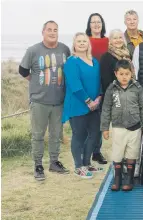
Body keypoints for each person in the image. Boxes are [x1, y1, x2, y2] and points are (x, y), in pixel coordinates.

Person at [19, 20, 70, 181]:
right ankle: (38, 165)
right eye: (49, 30)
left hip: (58, 101)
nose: (52, 32)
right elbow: (23, 70)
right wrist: (36, 83)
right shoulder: (33, 50)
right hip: (39, 101)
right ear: (43, 32)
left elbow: (69, 70)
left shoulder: (64, 49)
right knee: (38, 135)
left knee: (56, 134)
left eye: (55, 30)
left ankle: (54, 162)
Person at [101, 60, 143, 191]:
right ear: (116, 74)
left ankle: (128, 179)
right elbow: (106, 108)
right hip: (118, 127)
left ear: (131, 74)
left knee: (132, 153)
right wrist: (105, 128)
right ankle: (117, 178)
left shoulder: (137, 88)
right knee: (117, 153)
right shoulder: (111, 89)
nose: (124, 77)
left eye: (127, 74)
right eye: (121, 74)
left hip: (135, 127)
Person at [62, 32, 103, 179]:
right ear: (74, 44)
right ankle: (78, 167)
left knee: (94, 134)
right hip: (78, 104)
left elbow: (99, 81)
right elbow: (75, 85)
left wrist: (98, 98)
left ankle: (87, 163)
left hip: (94, 105)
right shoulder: (71, 62)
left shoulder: (95, 61)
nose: (81, 43)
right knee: (79, 135)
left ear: (88, 44)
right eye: (78, 41)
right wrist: (88, 101)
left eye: (84, 41)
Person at [86, 13, 108, 164]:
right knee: (89, 118)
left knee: (100, 118)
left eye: (98, 22)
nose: (96, 24)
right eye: (93, 22)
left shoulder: (108, 41)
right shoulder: (85, 41)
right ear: (89, 25)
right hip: (90, 82)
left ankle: (96, 151)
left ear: (102, 24)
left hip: (105, 82)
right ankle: (86, 150)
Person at [100, 29, 133, 94]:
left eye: (120, 37)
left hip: (129, 94)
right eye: (115, 38)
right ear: (110, 41)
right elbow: (105, 81)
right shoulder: (106, 57)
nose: (118, 40)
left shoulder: (128, 55)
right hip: (114, 95)